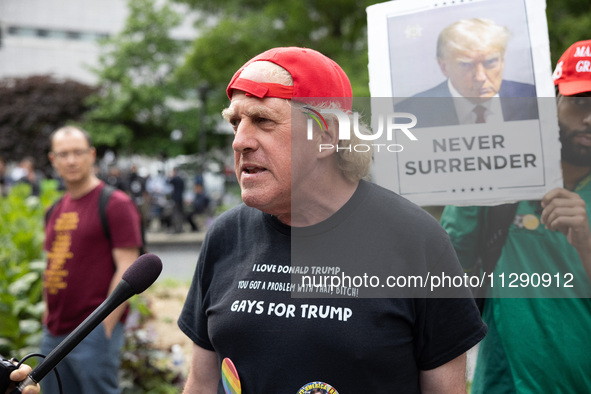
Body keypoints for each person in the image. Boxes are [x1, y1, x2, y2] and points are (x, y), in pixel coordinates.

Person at [178, 46, 486, 392]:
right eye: (236, 123)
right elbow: (202, 382)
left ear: (325, 135)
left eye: (263, 120)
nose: (240, 141)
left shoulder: (416, 240)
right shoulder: (225, 234)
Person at [440, 39, 591, 392]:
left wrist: (584, 240)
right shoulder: (508, 169)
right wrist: (473, 169)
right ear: (552, 102)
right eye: (580, 101)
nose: (590, 118)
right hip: (503, 382)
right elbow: (448, 262)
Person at [41, 126, 142, 394]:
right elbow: (53, 262)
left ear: (92, 155)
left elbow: (127, 268)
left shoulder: (115, 204)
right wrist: (46, 314)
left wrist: (104, 328)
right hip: (53, 332)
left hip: (92, 333)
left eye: (78, 152)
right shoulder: (54, 210)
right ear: (53, 160)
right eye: (63, 154)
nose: (71, 160)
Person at [396, 18, 538, 127]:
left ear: (503, 61)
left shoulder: (535, 99)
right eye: (465, 64)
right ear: (444, 67)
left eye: (490, 62)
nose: (480, 77)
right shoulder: (409, 115)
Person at [167, 167, 185, 233]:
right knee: (180, 214)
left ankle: (176, 229)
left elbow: (168, 182)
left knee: (175, 215)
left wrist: (170, 176)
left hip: (175, 199)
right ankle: (180, 228)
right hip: (180, 199)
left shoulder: (175, 179)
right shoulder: (181, 179)